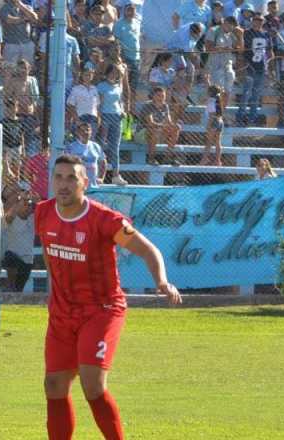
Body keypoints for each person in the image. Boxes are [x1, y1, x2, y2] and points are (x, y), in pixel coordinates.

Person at [38, 154, 183, 440]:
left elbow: (147, 249)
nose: (64, 184)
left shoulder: (104, 219)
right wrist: (54, 293)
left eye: (71, 178)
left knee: (92, 385)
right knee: (54, 385)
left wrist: (162, 281)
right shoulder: (44, 213)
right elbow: (48, 251)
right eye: (59, 177)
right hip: (62, 312)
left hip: (101, 310)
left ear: (85, 183)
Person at [1, 183, 37, 292]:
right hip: (10, 260)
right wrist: (20, 199)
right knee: (9, 256)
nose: (27, 205)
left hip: (27, 262)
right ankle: (9, 285)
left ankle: (12, 289)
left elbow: (38, 204)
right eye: (24, 203)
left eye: (29, 204)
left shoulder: (33, 218)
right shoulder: (11, 217)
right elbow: (9, 216)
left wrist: (30, 199)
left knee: (18, 290)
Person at [61, 122, 106, 189]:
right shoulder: (71, 147)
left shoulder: (96, 146)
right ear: (77, 132)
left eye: (88, 130)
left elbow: (103, 162)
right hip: (77, 187)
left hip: (93, 187)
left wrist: (101, 178)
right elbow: (64, 165)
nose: (85, 132)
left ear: (91, 132)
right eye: (82, 130)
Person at [203, 85, 226, 166]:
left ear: (210, 93)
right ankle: (218, 161)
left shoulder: (211, 101)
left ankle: (204, 159)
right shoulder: (218, 100)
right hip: (220, 121)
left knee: (208, 142)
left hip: (213, 121)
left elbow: (212, 115)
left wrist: (208, 126)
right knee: (217, 142)